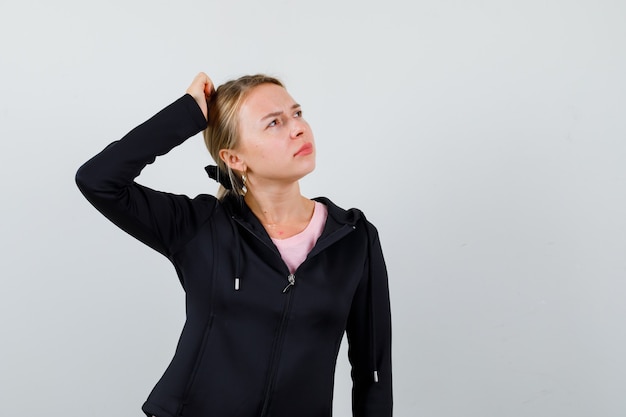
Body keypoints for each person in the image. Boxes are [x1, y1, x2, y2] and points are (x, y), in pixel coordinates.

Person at [76, 72, 392, 417]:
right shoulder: (200, 227)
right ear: (234, 158)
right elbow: (98, 179)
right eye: (273, 123)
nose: (298, 128)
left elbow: (372, 370)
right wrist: (187, 114)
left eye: (297, 113)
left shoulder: (353, 237)